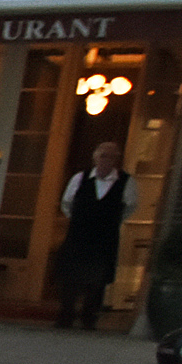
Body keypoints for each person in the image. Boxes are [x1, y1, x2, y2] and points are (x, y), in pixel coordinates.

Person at [53, 141, 137, 330]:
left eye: (111, 156)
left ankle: (89, 319)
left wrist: (111, 222)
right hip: (78, 236)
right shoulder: (80, 178)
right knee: (70, 278)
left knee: (97, 281)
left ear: (117, 159)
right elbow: (67, 203)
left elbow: (130, 207)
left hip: (104, 239)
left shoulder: (126, 182)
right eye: (103, 156)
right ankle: (65, 317)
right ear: (95, 158)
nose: (106, 160)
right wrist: (78, 220)